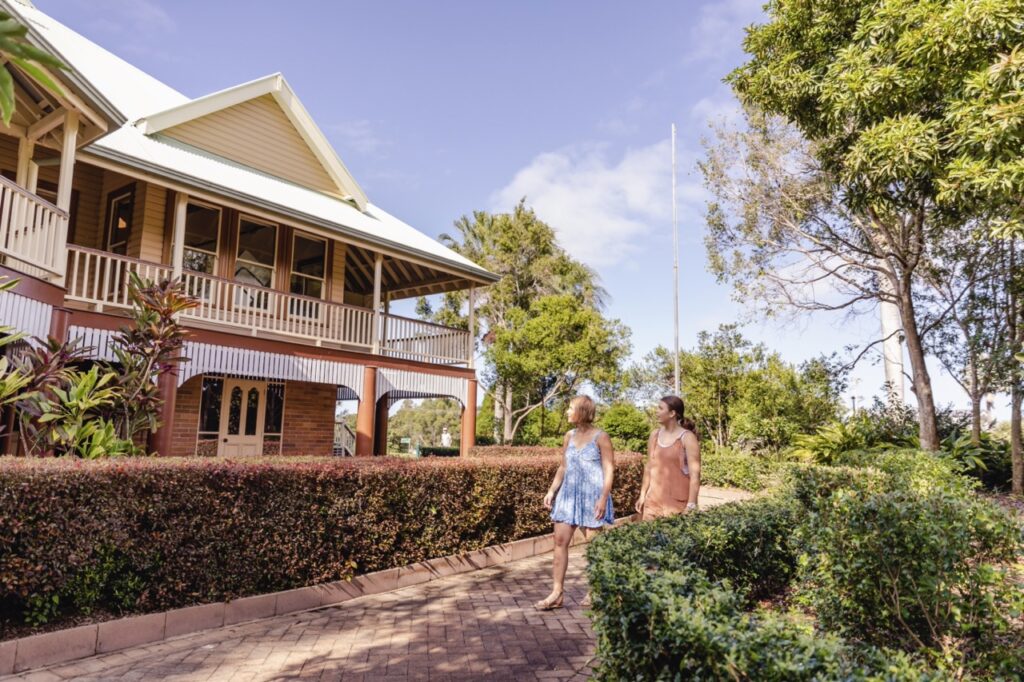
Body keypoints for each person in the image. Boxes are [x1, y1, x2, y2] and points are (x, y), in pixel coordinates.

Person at [536, 395, 615, 610]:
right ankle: (556, 593)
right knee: (560, 542)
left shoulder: (601, 437)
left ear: (582, 411)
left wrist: (603, 498)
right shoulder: (568, 436)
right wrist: (552, 490)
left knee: (594, 546)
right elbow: (563, 466)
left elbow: (609, 469)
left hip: (593, 496)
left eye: (570, 408)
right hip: (568, 495)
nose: (567, 412)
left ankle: (595, 590)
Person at [634, 395, 701, 520]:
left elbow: (695, 475)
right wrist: (642, 495)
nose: (656, 411)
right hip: (653, 504)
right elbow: (649, 467)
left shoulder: (687, 438)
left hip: (677, 506)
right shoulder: (654, 435)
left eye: (660, 408)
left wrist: (691, 505)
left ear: (672, 413)